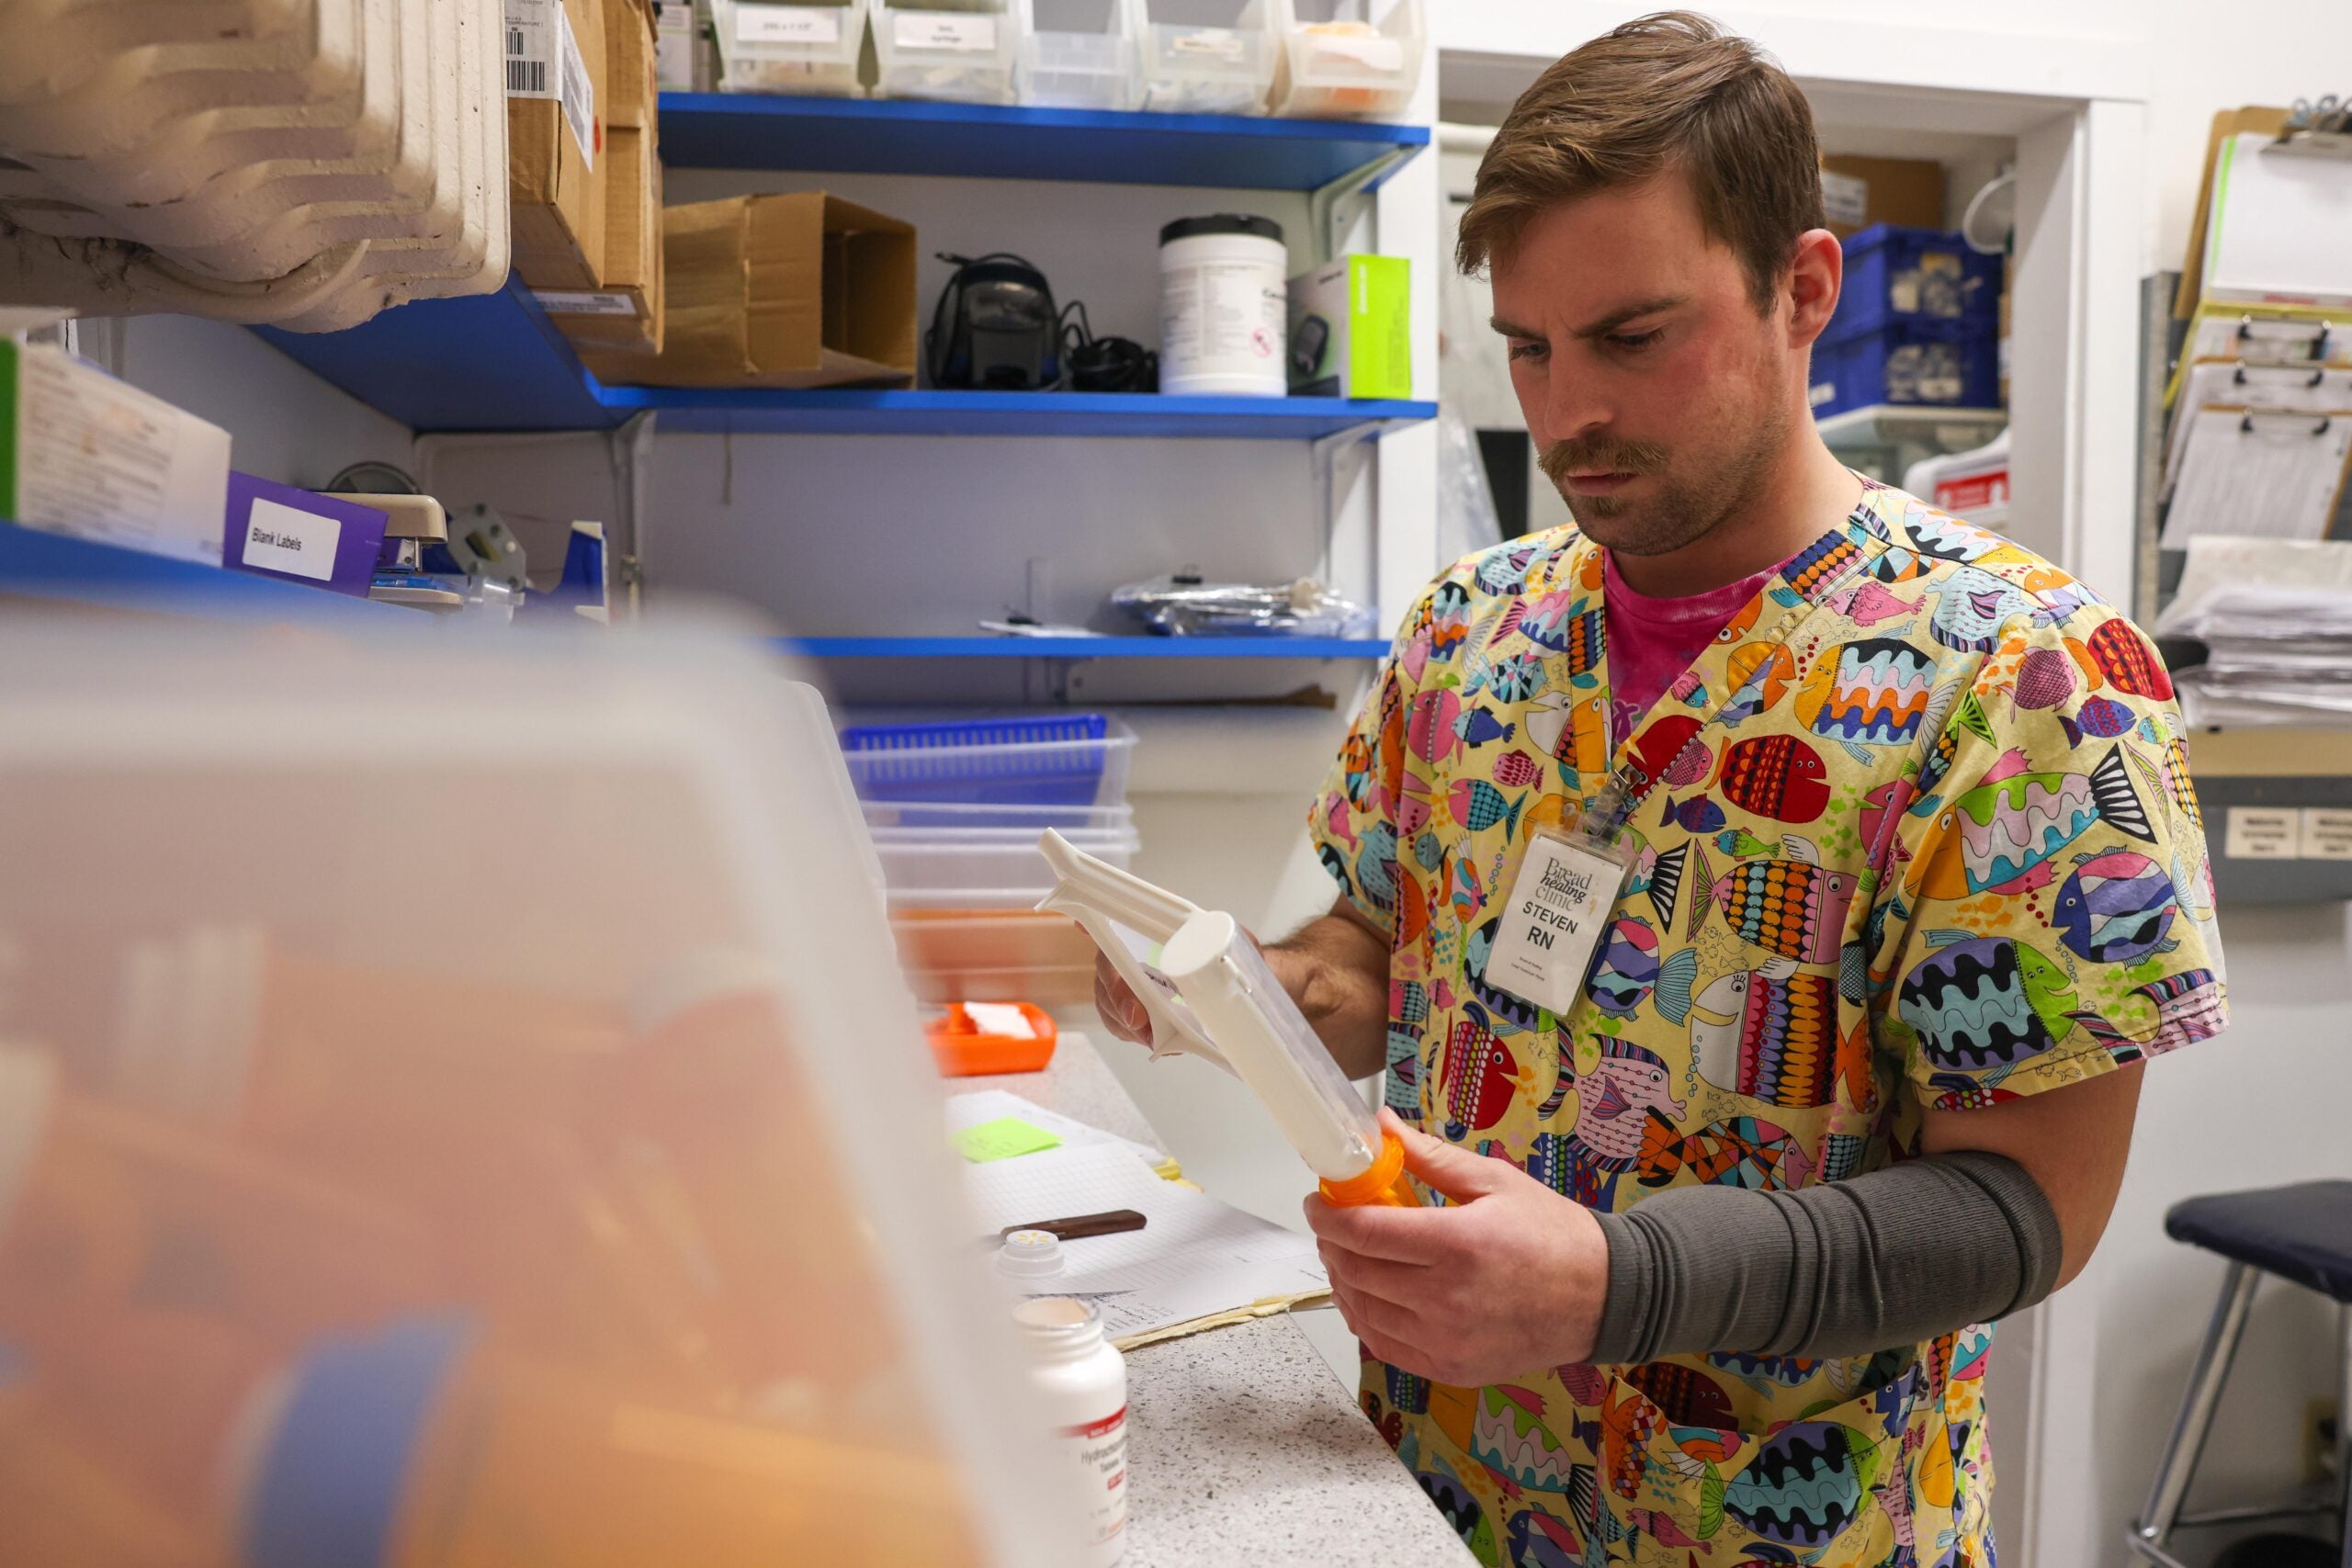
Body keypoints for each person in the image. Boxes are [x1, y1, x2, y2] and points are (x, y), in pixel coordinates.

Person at [1095, 11, 2226, 1566]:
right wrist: (1246, 996)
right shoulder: (1467, 631)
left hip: (1774, 1521)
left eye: (1633, 338)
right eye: (1529, 350)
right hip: (1430, 1491)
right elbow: (1371, 952)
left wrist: (1615, 1284)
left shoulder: (2026, 684)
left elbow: (2029, 1207)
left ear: (1803, 291)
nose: (1568, 416)